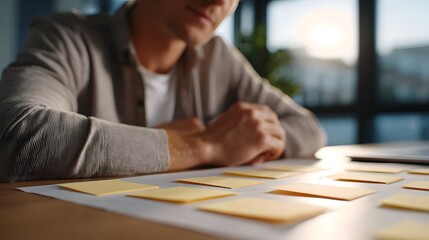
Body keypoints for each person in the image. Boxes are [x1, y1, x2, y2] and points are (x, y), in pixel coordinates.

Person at [0, 0, 326, 182]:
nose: (220, 2)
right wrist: (201, 146)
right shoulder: (67, 38)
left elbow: (307, 128)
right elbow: (15, 133)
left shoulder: (218, 58)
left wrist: (243, 138)